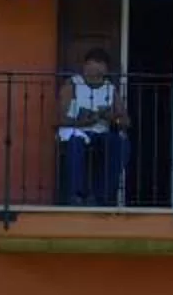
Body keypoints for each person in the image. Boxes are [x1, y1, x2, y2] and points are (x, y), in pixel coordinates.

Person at [54, 48, 128, 205]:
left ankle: (102, 196)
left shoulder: (110, 88)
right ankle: (76, 195)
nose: (95, 76)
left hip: (100, 134)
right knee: (76, 144)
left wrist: (111, 117)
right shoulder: (72, 85)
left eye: (100, 73)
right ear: (85, 67)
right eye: (92, 70)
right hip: (76, 131)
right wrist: (81, 121)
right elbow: (58, 118)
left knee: (119, 144)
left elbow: (125, 121)